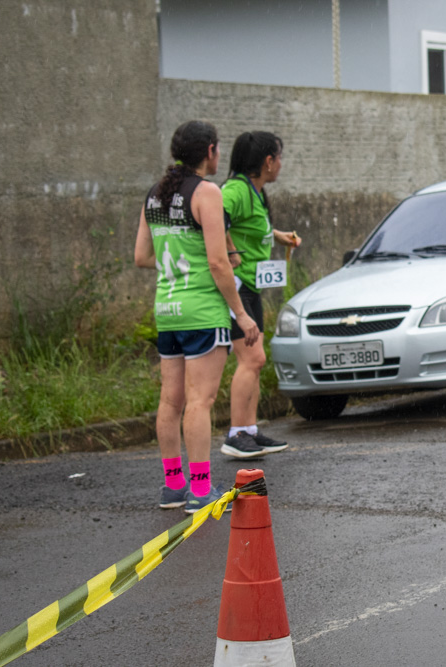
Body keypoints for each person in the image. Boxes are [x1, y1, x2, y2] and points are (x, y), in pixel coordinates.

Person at [134, 120, 261, 514]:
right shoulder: (206, 192)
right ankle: (201, 490)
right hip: (203, 312)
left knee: (170, 402)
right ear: (210, 151)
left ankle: (174, 486)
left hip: (167, 311)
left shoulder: (155, 194)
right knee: (200, 402)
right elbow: (219, 264)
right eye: (217, 149)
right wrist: (241, 315)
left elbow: (142, 257)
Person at [219, 131, 302, 459]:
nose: (281, 163)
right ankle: (236, 433)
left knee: (255, 360)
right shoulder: (236, 189)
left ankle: (249, 430)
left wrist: (280, 237)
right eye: (279, 157)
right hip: (236, 287)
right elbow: (215, 220)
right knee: (251, 359)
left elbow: (252, 228)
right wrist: (230, 252)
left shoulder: (255, 192)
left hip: (251, 287)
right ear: (268, 161)